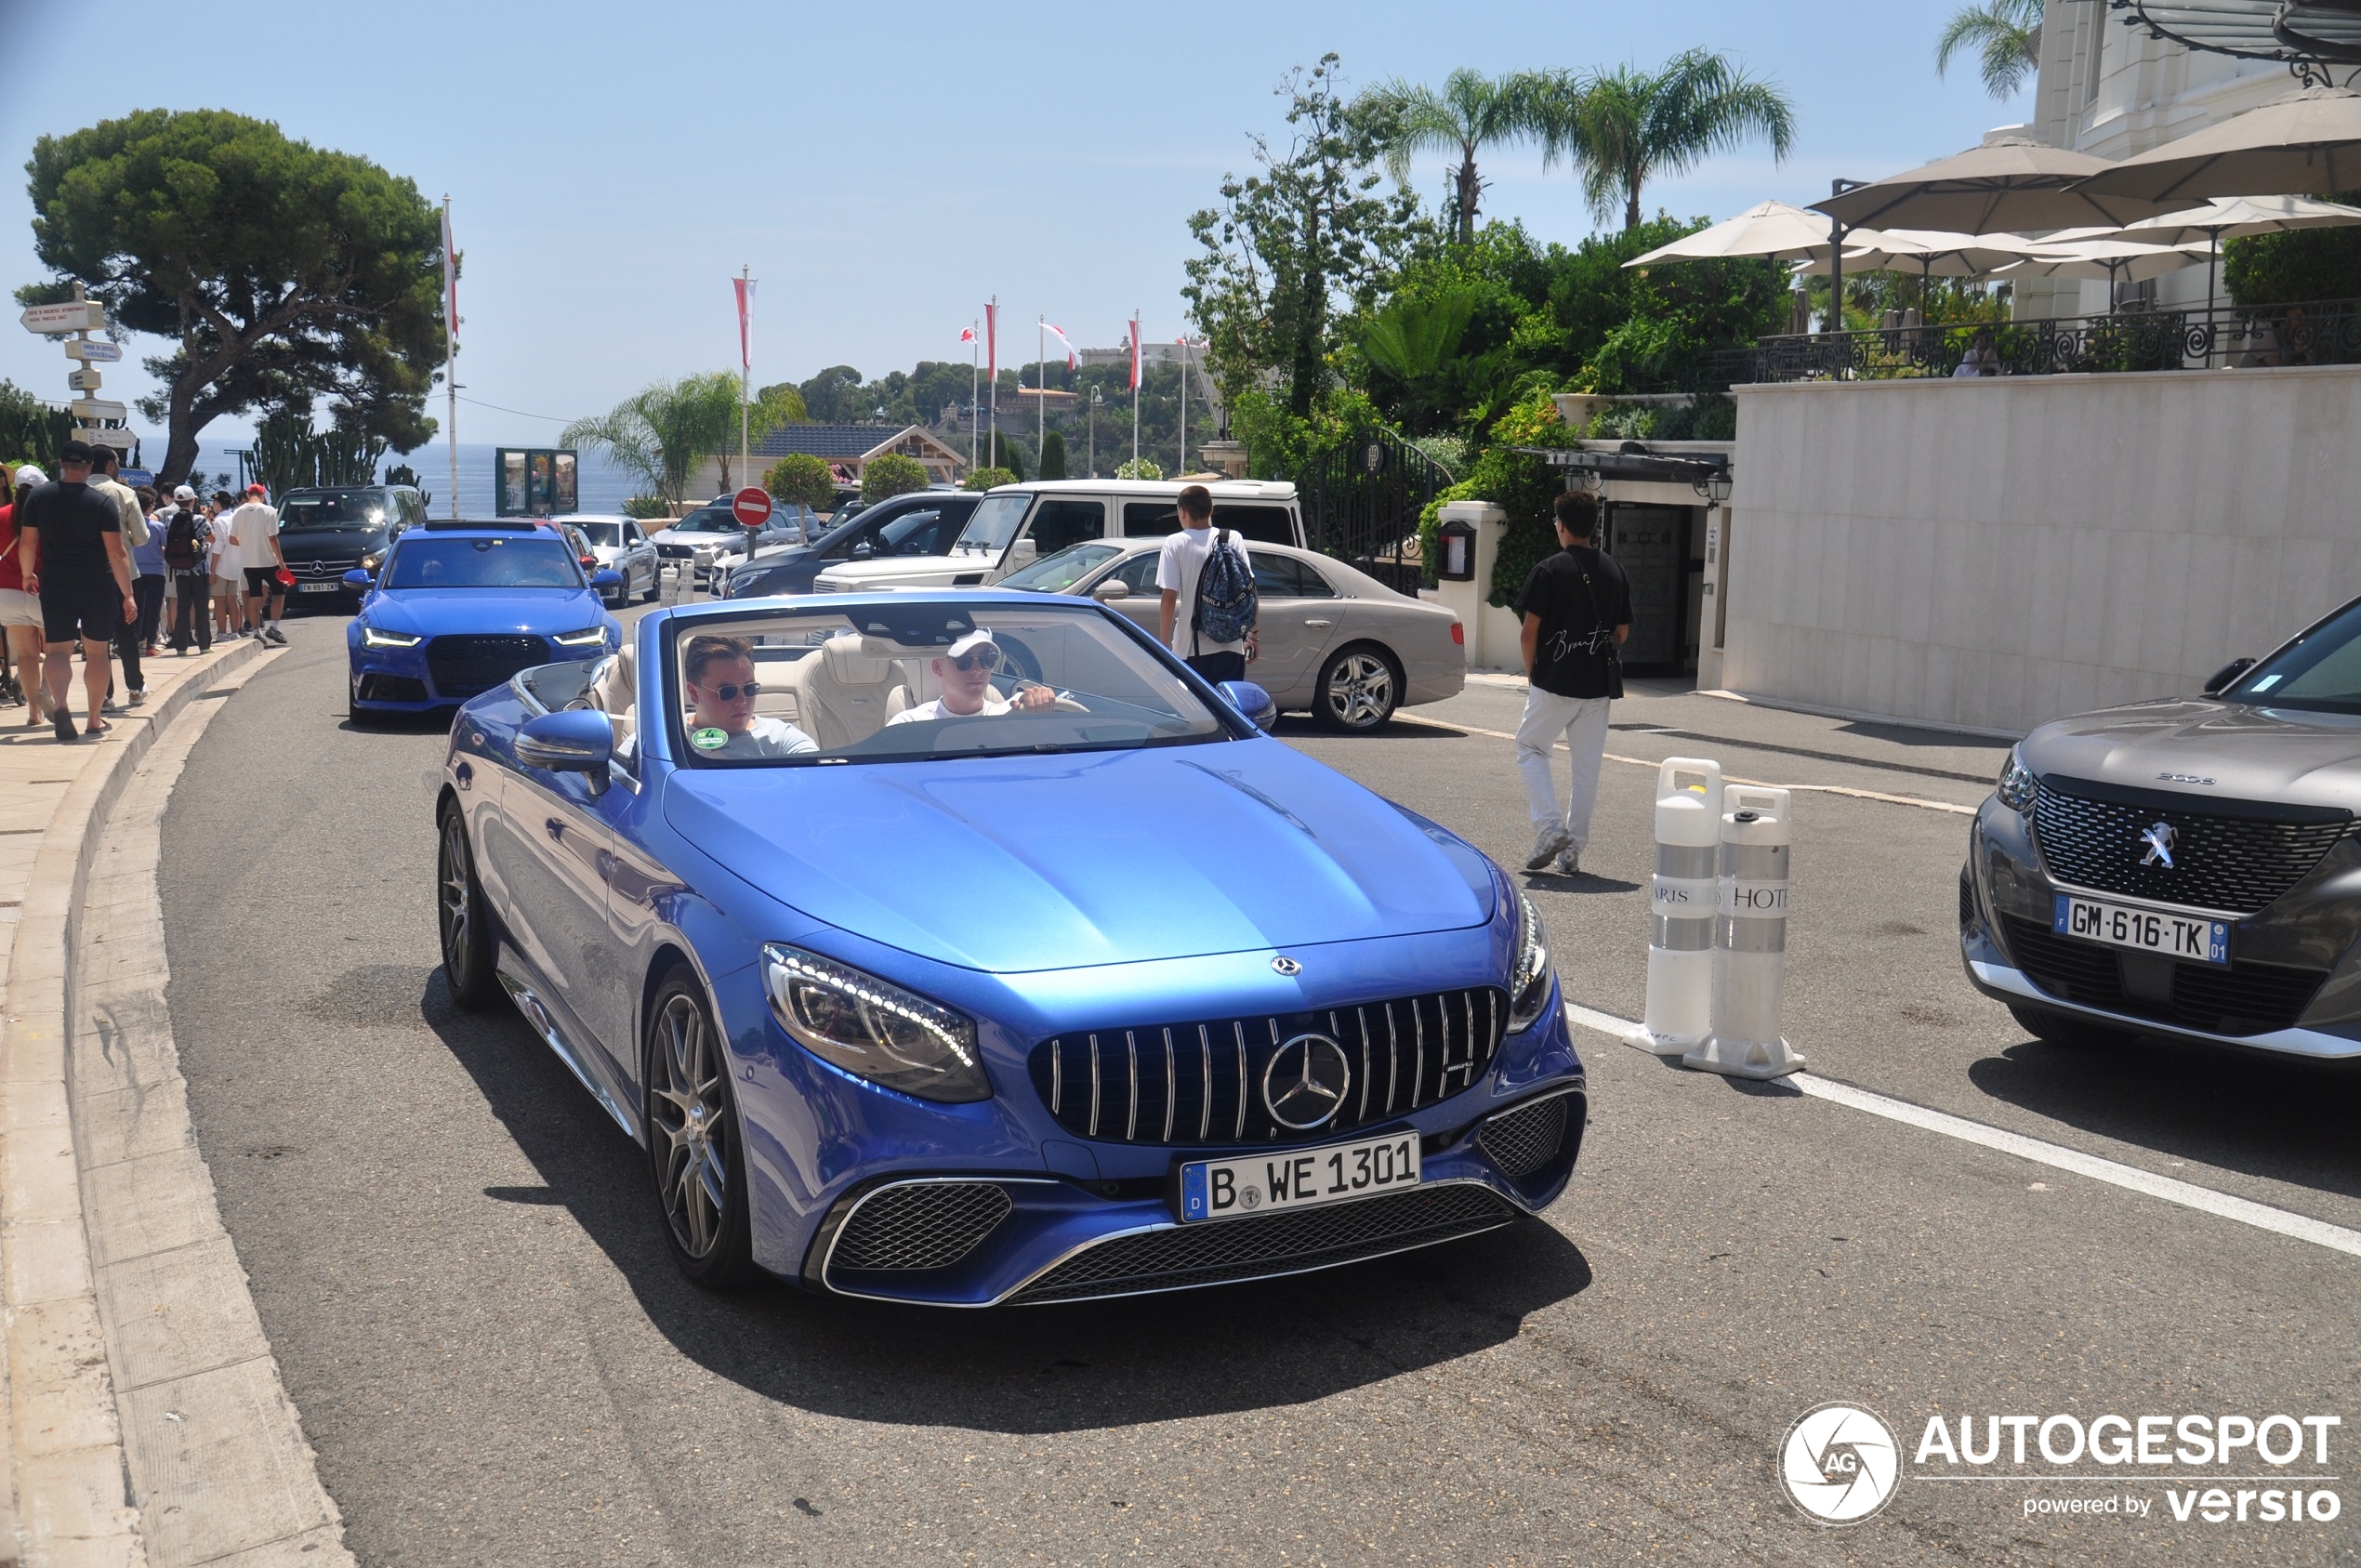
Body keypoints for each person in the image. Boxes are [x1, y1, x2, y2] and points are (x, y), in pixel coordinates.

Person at [1513, 491, 1630, 876]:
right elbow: (1623, 634)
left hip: (1555, 681)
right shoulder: (1614, 570)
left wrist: (1533, 673)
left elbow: (1529, 633)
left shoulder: (1549, 569)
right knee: (1586, 769)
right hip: (1597, 686)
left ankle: (1549, 827)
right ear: (1593, 526)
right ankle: (1572, 851)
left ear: (1561, 525)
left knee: (1531, 747)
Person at [18, 441, 138, 742]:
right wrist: (128, 595)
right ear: (88, 467)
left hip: (56, 583)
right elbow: (117, 553)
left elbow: (27, 543)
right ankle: (94, 719)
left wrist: (26, 574)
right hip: (97, 585)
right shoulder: (101, 502)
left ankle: (59, 706)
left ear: (61, 463)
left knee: (58, 650)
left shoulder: (39, 499)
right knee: (97, 652)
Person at [1155, 483, 1259, 683]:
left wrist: (1163, 645)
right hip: (1231, 647)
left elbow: (1169, 597)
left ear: (1182, 512)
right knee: (1227, 710)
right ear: (1211, 510)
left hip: (1190, 648)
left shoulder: (1175, 543)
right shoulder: (1232, 538)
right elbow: (1250, 590)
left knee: (1194, 711)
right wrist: (1253, 635)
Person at [677, 634, 817, 758]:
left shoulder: (781, 738)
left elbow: (815, 774)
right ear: (693, 693)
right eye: (727, 692)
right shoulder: (668, 738)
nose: (741, 701)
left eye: (750, 689)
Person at [883, 628, 1055, 725]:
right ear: (937, 667)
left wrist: (1041, 705)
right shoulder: (909, 725)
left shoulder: (1015, 713)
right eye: (963, 661)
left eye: (986, 660)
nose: (976, 670)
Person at [87, 446, 151, 705]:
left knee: (96, 638)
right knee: (127, 634)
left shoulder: (77, 492)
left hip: (88, 575)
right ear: (111, 466)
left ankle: (104, 694)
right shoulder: (124, 493)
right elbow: (142, 537)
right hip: (123, 574)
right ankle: (135, 688)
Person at [0, 467, 45, 723]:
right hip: (42, 589)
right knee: (57, 652)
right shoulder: (49, 516)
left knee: (26, 655)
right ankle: (48, 695)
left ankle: (33, 713)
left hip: (7, 591)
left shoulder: (2, 514)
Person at [229, 483, 287, 644]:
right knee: (279, 593)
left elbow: (232, 538)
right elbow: (273, 537)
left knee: (255, 596)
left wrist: (247, 544)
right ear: (263, 496)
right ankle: (274, 626)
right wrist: (281, 562)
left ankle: (256, 631)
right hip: (268, 560)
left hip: (248, 561)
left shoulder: (238, 512)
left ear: (248, 495)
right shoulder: (269, 511)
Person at [164, 486, 214, 654]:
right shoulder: (199, 519)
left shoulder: (171, 519)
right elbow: (212, 536)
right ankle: (204, 645)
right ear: (192, 500)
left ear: (177, 501)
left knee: (182, 607)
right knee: (201, 607)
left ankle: (181, 647)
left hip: (179, 570)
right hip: (199, 570)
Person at [129, 485, 168, 657]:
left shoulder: (130, 526)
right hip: (156, 571)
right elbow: (165, 547)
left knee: (136, 608)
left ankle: (135, 641)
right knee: (154, 609)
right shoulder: (158, 526)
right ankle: (151, 645)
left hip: (136, 571)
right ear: (150, 506)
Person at [208, 492, 244, 637]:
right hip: (235, 565)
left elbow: (219, 545)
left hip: (221, 566)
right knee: (232, 599)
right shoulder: (235, 518)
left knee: (219, 600)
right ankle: (235, 632)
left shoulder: (219, 521)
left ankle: (222, 633)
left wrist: (212, 568)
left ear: (217, 504)